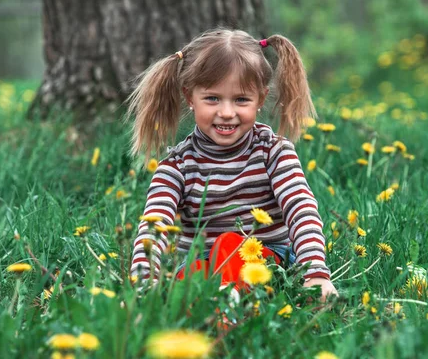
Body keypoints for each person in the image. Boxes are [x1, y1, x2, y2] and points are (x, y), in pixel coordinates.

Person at [126, 28, 338, 302]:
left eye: (241, 99)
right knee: (191, 279)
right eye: (212, 98)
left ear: (260, 99)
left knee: (229, 245)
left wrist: (315, 274)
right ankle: (212, 311)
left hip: (267, 259)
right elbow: (154, 226)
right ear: (190, 97)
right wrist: (144, 289)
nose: (226, 113)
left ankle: (227, 311)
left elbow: (301, 208)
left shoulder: (273, 152)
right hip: (202, 266)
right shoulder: (176, 167)